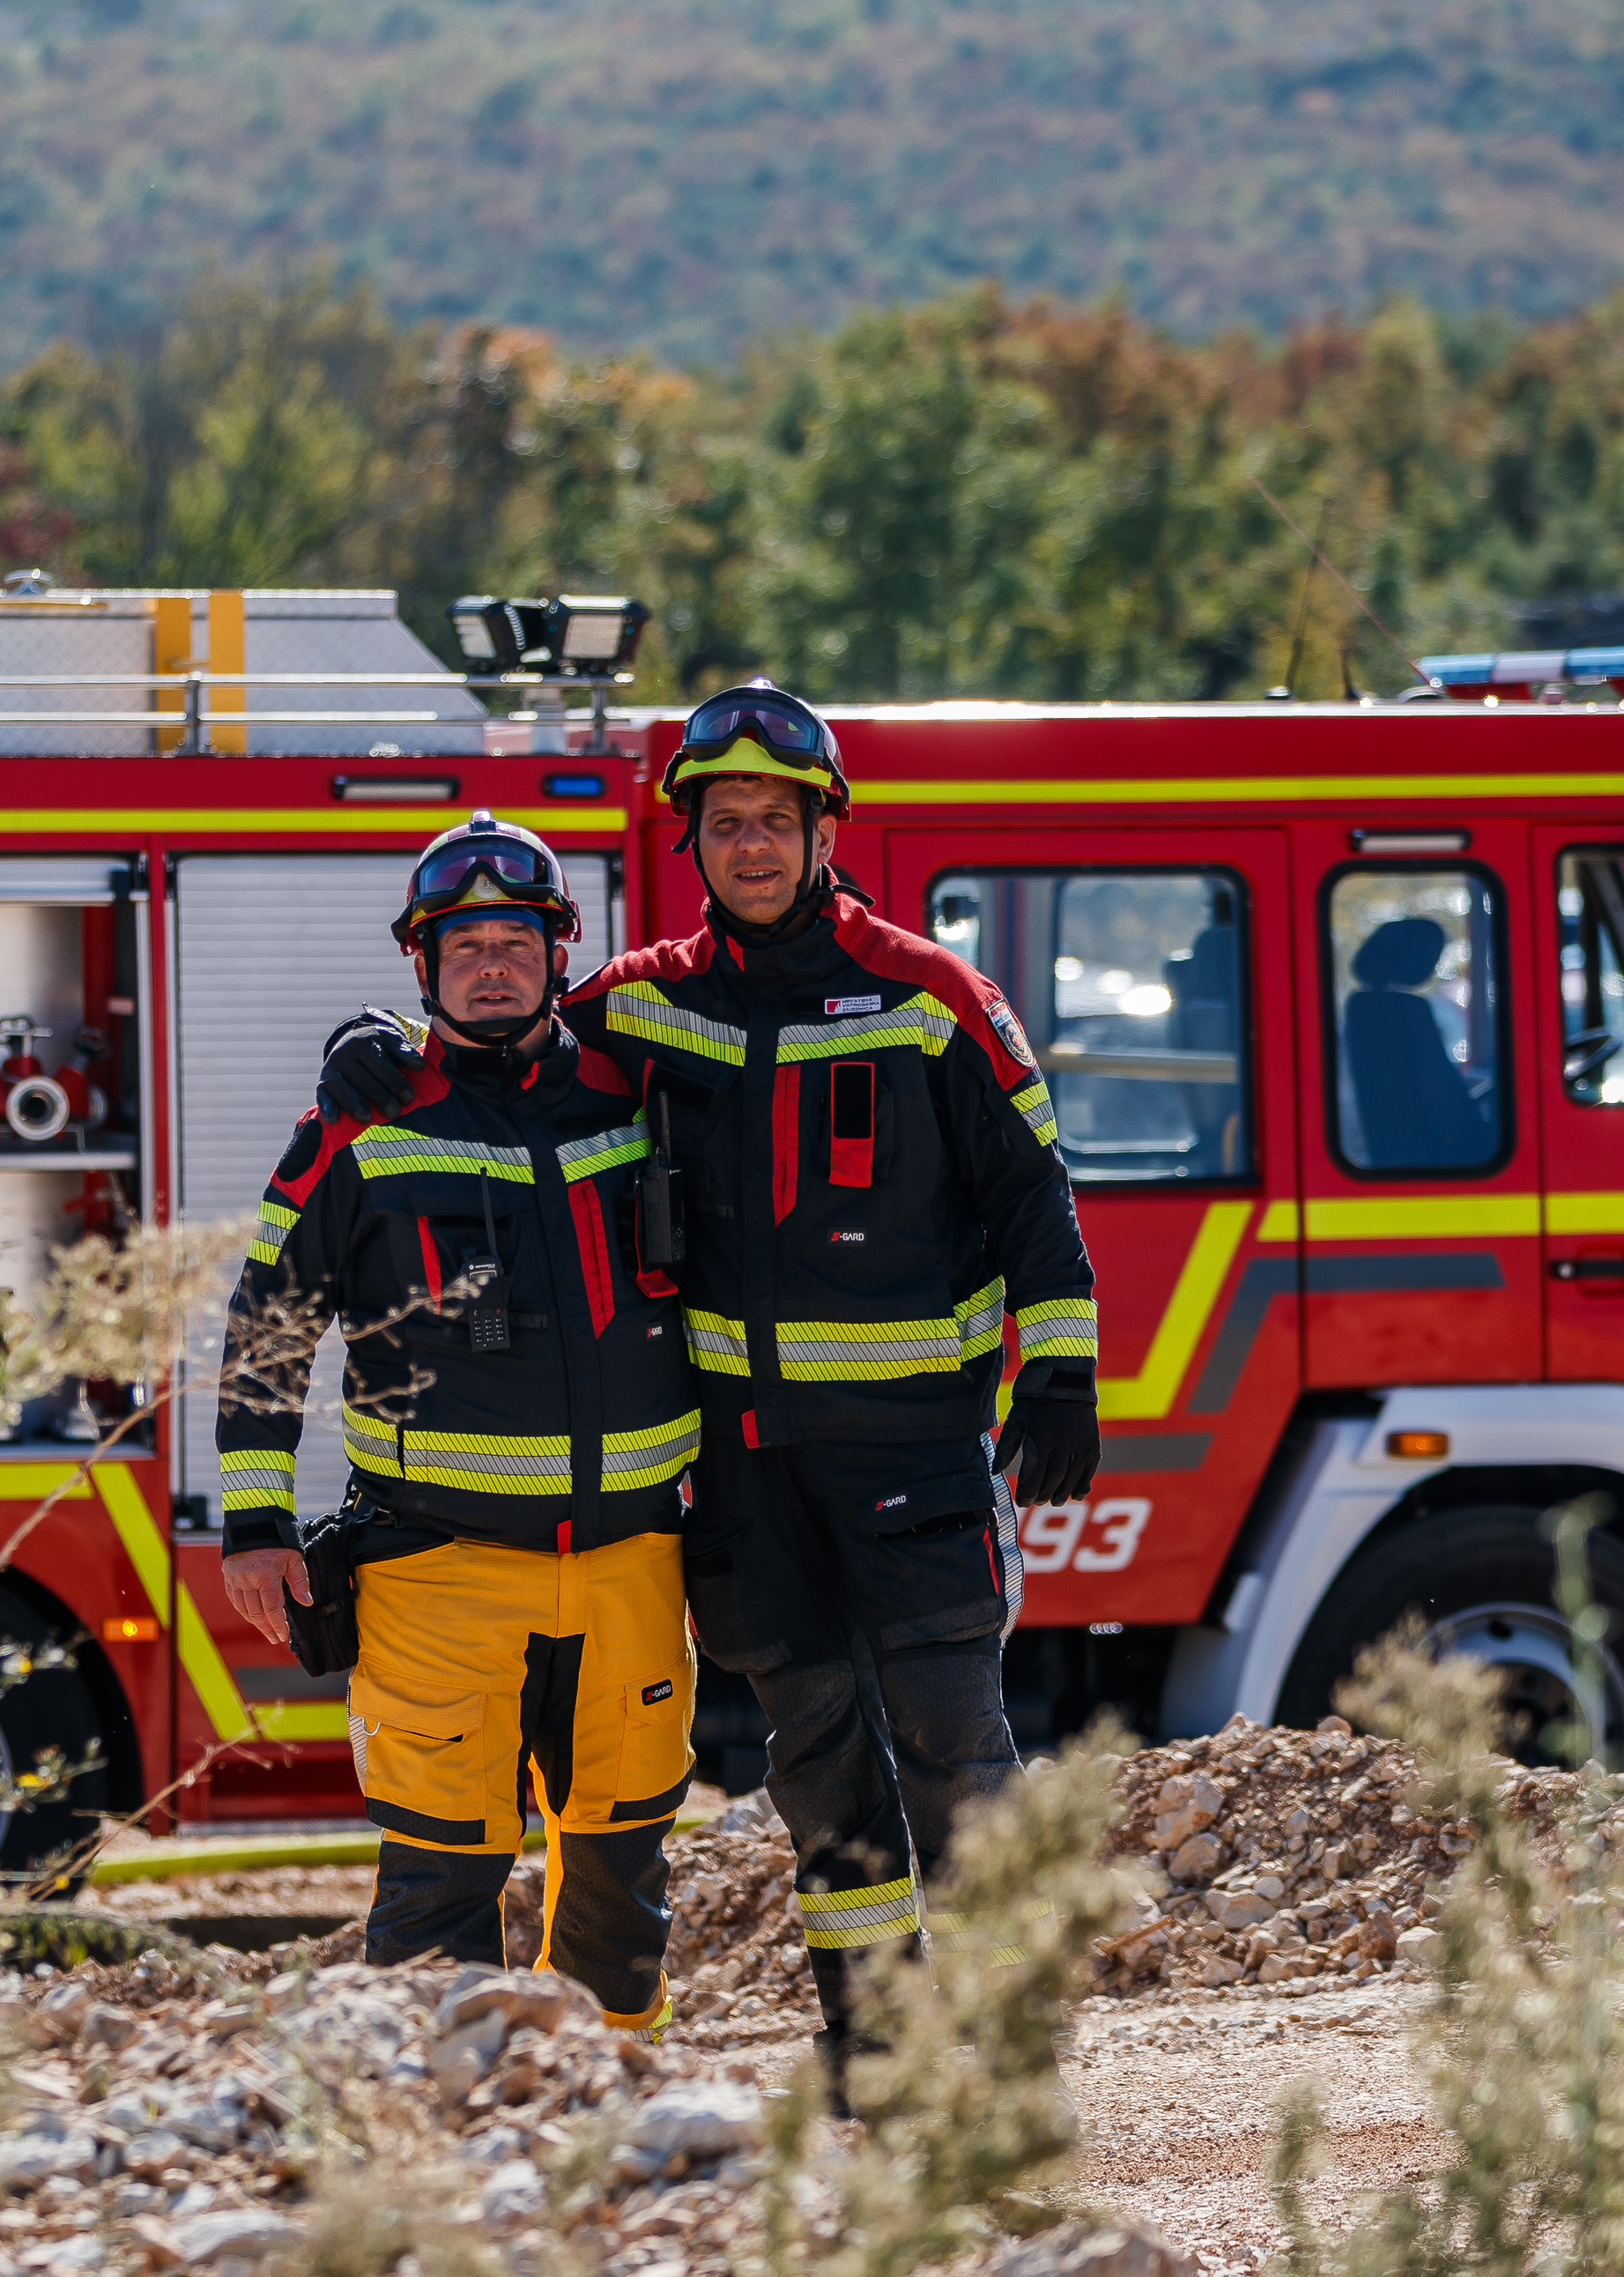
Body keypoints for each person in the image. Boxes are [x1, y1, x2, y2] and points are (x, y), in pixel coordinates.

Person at [322, 685, 1099, 2103]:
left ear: (823, 829)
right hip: (742, 1474)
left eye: (774, 820)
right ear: (694, 840)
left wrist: (1060, 1366)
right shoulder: (639, 1000)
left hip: (912, 1455)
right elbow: (508, 1052)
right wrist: (374, 1052)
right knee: (818, 1771)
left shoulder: (934, 998)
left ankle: (1003, 2052)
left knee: (954, 1744)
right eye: (725, 821)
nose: (750, 844)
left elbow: (1035, 1196)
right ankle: (876, 2049)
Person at [219, 816, 701, 2029]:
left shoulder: (640, 1088)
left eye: (517, 940)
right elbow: (271, 1312)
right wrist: (255, 1517)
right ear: (419, 963)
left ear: (562, 952)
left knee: (620, 1888)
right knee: (438, 1886)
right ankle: (438, 2172)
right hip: (434, 1573)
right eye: (465, 943)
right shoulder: (361, 1118)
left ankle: (612, 2141)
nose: (493, 963)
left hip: (634, 1562)